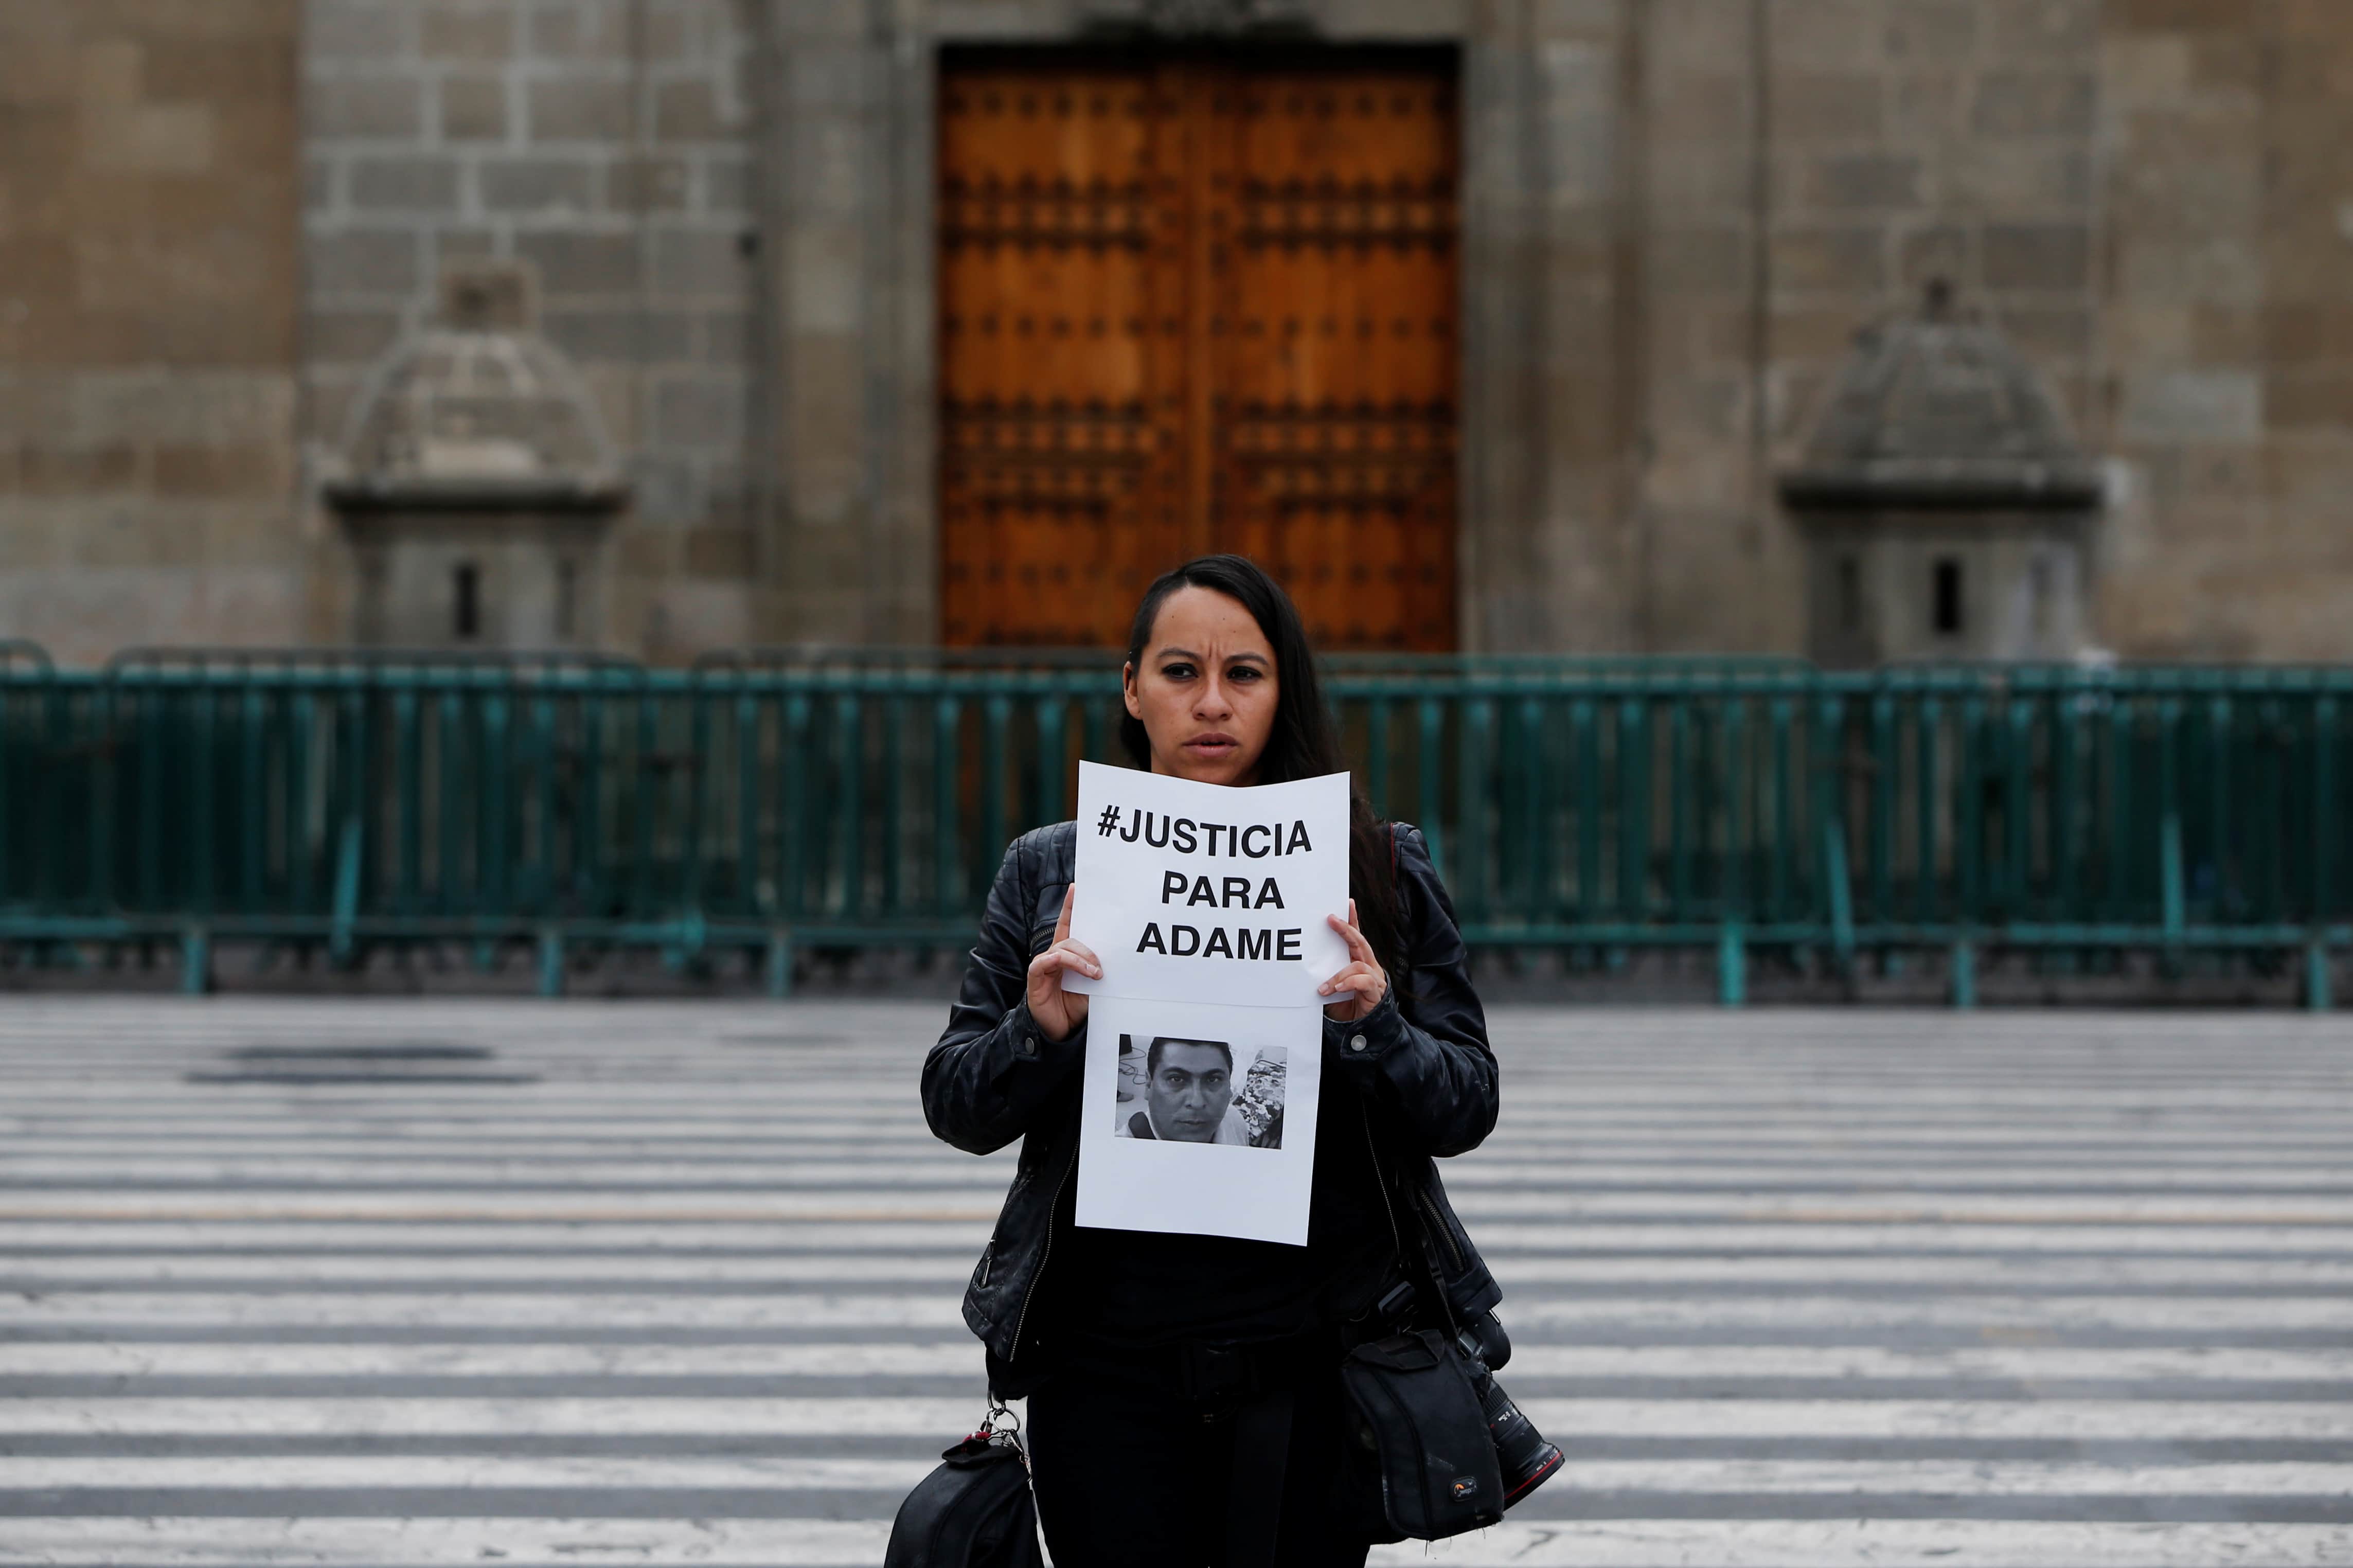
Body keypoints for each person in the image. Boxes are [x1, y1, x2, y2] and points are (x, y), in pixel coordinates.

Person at [922, 555, 1501, 1567]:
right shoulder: (1049, 870)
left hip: (1314, 1363)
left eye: (1245, 674)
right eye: (1181, 671)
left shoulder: (1376, 866)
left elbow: (1465, 1103)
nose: (1212, 704)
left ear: (1285, 693)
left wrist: (1376, 1026)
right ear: (1132, 689)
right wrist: (1041, 1029)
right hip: (1103, 1370)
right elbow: (958, 1104)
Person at [1117, 1037, 1250, 1143]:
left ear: (1229, 1089)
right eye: (1176, 1079)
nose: (1197, 1102)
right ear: (1148, 1084)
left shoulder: (1233, 1120)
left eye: (1213, 1080)